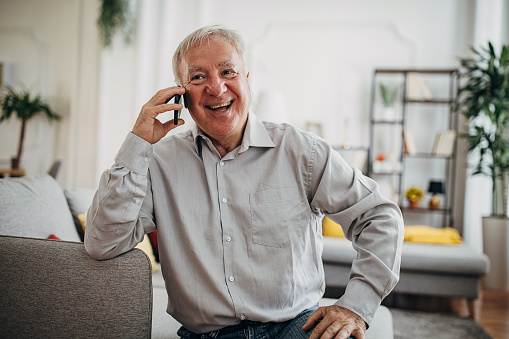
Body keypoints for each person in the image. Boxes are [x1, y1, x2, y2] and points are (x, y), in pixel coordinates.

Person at [85, 24, 404, 339]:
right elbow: (103, 244)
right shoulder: (156, 161)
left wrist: (356, 305)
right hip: (207, 335)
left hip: (295, 326)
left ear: (247, 80)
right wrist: (137, 143)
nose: (216, 88)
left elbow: (380, 217)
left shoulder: (302, 151)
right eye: (198, 77)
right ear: (181, 94)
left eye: (227, 72)